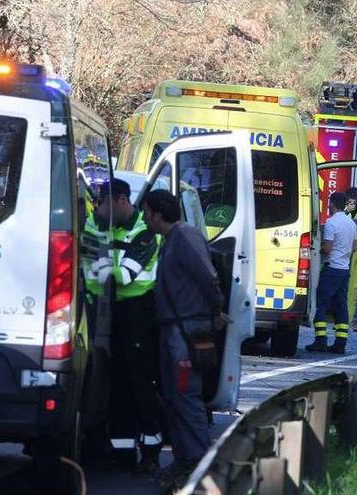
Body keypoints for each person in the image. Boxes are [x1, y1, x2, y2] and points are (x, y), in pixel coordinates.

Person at [141, 189, 227, 492]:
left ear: (157, 212)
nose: (144, 218)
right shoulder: (171, 240)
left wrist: (217, 309)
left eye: (146, 212)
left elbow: (207, 277)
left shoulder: (185, 237)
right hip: (175, 330)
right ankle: (184, 460)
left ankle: (201, 465)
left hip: (187, 331)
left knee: (186, 395)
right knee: (175, 397)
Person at [84, 178, 163, 474]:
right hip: (106, 313)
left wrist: (98, 265)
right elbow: (91, 256)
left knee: (140, 382)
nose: (96, 208)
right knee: (115, 383)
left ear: (119, 200)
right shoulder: (98, 223)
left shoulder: (143, 232)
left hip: (138, 314)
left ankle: (151, 452)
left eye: (101, 202)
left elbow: (123, 275)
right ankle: (121, 452)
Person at [306, 192, 357, 354]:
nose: (328, 207)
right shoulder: (351, 224)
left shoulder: (331, 223)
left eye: (329, 204)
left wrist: (315, 249)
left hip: (331, 269)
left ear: (332, 204)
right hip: (344, 270)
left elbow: (327, 248)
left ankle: (320, 341)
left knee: (321, 304)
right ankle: (340, 343)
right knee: (340, 306)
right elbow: (355, 247)